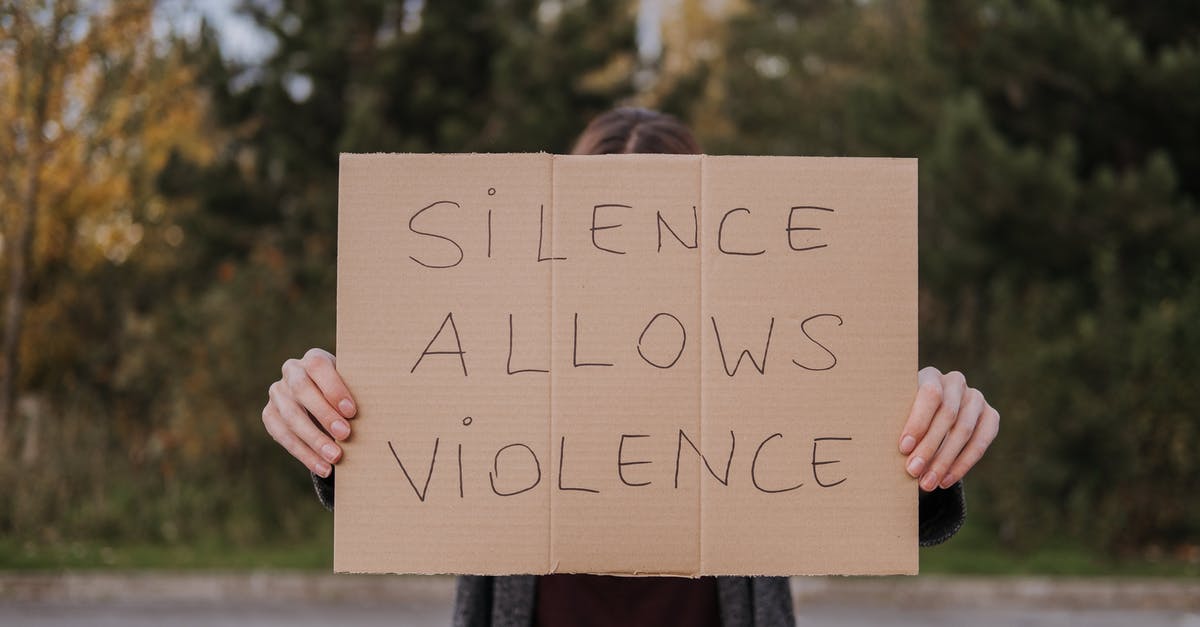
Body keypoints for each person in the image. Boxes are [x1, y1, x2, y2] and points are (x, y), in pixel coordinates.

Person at [261, 108, 1000, 627]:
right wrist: (327, 412)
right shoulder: (501, 368)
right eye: (606, 224)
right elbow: (406, 453)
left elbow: (886, 491)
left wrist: (931, 434)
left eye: (662, 225)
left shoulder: (758, 374)